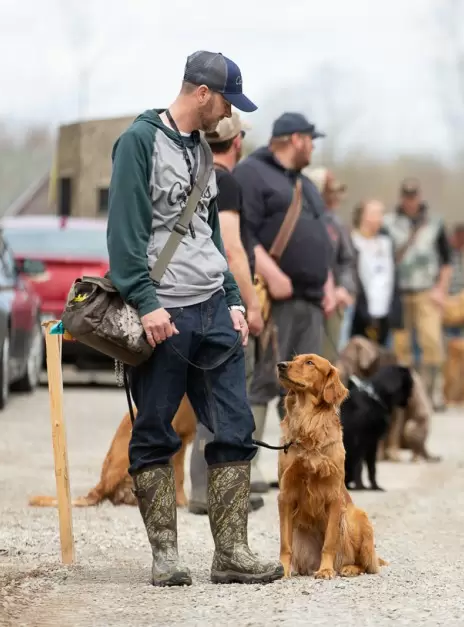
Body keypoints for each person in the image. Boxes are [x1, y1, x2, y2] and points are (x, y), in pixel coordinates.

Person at [106, 50, 283, 587]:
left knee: (234, 428)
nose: (230, 112)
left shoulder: (203, 151)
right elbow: (124, 235)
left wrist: (233, 297)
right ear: (202, 93)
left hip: (213, 309)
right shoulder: (139, 142)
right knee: (155, 432)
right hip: (165, 313)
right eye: (227, 101)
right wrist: (146, 302)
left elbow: (207, 235)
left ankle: (231, 554)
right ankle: (165, 557)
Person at [187, 111, 268, 514]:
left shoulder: (194, 174)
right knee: (229, 395)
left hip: (193, 298)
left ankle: (201, 488)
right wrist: (251, 304)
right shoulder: (228, 182)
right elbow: (232, 249)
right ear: (237, 143)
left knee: (205, 396)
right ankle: (219, 491)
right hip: (223, 301)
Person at [233, 112, 334, 423]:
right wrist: (272, 273)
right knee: (262, 382)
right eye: (310, 140)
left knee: (307, 386)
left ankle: (299, 454)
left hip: (311, 301)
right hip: (274, 300)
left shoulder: (306, 184)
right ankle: (250, 454)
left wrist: (328, 284)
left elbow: (320, 235)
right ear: (296, 140)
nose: (313, 147)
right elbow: (242, 233)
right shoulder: (251, 173)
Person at [384, 177, 452, 401]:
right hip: (399, 292)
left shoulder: (435, 223)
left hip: (426, 290)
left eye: (413, 196)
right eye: (406, 196)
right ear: (401, 197)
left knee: (431, 341)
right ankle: (404, 394)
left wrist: (441, 289)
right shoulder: (389, 223)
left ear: (419, 197)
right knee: (400, 344)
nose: (410, 201)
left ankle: (431, 393)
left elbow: (446, 260)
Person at [303, 166, 356, 356]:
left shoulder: (336, 223)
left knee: (329, 358)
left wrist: (344, 288)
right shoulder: (298, 219)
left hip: (334, 303)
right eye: (330, 192)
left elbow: (347, 260)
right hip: (304, 300)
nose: (336, 197)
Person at [349, 198, 401, 345]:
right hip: (359, 311)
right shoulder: (352, 241)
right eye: (376, 213)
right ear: (364, 216)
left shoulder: (386, 243)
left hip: (384, 311)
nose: (381, 218)